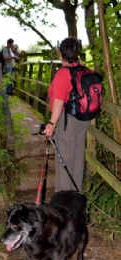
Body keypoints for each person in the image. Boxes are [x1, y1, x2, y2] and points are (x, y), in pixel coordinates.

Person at [44, 37, 89, 192]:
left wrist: (51, 124)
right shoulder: (83, 70)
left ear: (61, 53)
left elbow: (58, 102)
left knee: (64, 161)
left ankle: (63, 204)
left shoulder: (63, 74)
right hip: (82, 120)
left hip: (66, 121)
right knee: (77, 161)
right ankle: (76, 197)